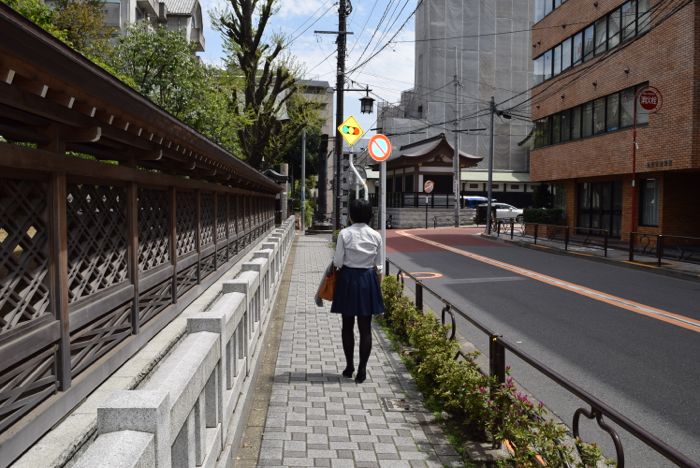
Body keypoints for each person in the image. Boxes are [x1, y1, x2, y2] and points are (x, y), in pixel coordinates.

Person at [331, 199, 384, 383]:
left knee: (347, 325)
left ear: (351, 215)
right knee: (365, 327)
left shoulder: (344, 234)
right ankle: (362, 369)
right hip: (368, 279)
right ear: (370, 215)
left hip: (347, 278)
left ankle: (349, 366)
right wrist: (379, 288)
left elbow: (338, 262)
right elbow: (379, 266)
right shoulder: (376, 236)